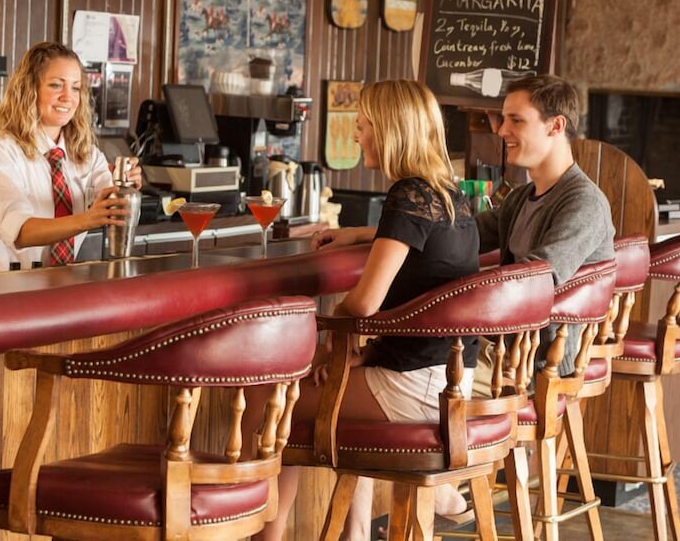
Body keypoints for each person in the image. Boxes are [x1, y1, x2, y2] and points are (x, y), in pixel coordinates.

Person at [249, 80, 479, 541]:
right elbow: (415, 244)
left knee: (270, 399)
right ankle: (351, 532)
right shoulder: (448, 194)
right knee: (301, 393)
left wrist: (337, 330)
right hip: (448, 378)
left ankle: (265, 538)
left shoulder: (407, 195)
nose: (356, 135)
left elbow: (365, 302)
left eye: (363, 125)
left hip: (416, 385)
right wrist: (360, 237)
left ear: (390, 130)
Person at [476, 74, 615, 376]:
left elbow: (536, 278)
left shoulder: (585, 203)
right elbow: (466, 235)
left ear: (556, 125)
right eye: (503, 120)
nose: (501, 130)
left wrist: (463, 294)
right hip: (509, 350)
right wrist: (389, 234)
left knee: (409, 379)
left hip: (539, 368)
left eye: (516, 120)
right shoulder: (520, 198)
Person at [0, 41, 141, 274]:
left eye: (75, 88)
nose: (68, 97)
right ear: (30, 89)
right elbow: (21, 232)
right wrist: (87, 219)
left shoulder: (87, 154)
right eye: (56, 85)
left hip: (59, 281)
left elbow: (113, 205)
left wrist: (124, 185)